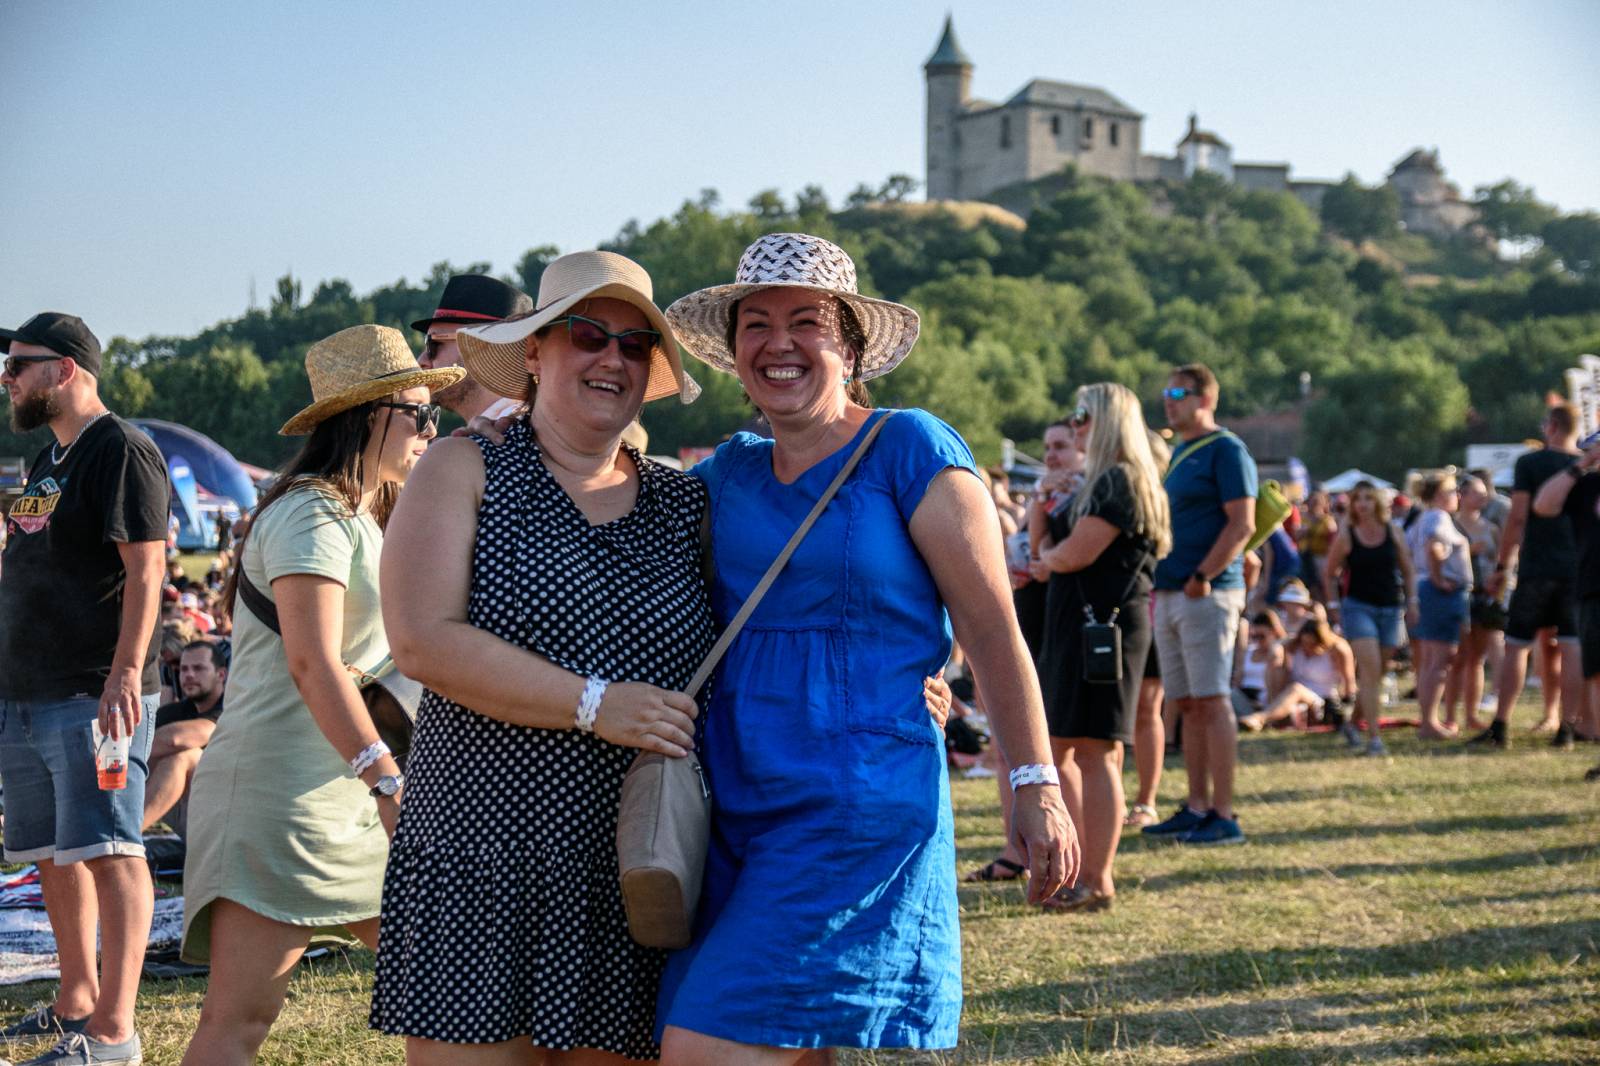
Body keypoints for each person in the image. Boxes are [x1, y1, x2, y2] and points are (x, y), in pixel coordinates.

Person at [654, 233, 1077, 1060]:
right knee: (791, 1041)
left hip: (856, 799)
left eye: (805, 322)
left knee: (707, 1044)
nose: (779, 343)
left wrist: (1033, 781)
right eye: (756, 325)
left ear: (850, 347)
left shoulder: (909, 448)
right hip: (731, 805)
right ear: (734, 352)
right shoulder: (723, 475)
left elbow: (991, 629)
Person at [370, 250, 715, 1063]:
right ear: (533, 351)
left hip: (633, 869)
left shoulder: (684, 501)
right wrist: (598, 704)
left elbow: (786, 610)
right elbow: (422, 639)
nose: (611, 358)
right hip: (479, 858)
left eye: (635, 346)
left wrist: (907, 680)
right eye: (586, 335)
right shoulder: (465, 466)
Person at [178, 325, 461, 1065]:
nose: (432, 427)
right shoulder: (312, 511)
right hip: (282, 797)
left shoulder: (368, 510)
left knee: (447, 986)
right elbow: (313, 662)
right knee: (240, 1022)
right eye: (418, 412)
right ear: (367, 415)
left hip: (347, 795)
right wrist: (386, 776)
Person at [0, 312, 169, 1066]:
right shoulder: (47, 461)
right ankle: (75, 1001)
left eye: (18, 365)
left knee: (108, 849)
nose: (6, 379)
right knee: (51, 853)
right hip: (26, 690)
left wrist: (125, 674)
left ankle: (113, 1033)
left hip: (93, 693)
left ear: (65, 368)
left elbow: (147, 570)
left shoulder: (120, 450)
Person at [1030, 383, 1171, 912]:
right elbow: (1045, 545)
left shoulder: (1120, 481)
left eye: (1083, 413)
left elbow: (1069, 556)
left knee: (1096, 750)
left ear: (1110, 419)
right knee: (1067, 744)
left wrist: (1048, 553)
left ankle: (1096, 878)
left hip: (1103, 630)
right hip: (1081, 625)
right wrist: (1048, 506)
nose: (1075, 420)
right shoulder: (1102, 480)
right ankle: (1080, 871)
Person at [1144, 363, 1257, 847]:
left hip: (1204, 592)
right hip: (1172, 591)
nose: (1169, 400)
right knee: (1186, 703)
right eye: (1167, 392)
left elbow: (1243, 524)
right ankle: (1196, 805)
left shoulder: (1227, 449)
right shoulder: (1182, 451)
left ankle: (1224, 813)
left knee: (1211, 701)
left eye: (1179, 392)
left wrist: (1203, 576)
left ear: (1205, 398)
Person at [967, 418, 1080, 883]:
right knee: (1002, 742)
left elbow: (1044, 561)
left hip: (1061, 625)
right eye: (1048, 447)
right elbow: (1030, 559)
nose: (1051, 456)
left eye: (1061, 447)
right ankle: (1015, 847)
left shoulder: (1085, 499)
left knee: (1056, 749)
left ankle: (1067, 856)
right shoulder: (1047, 499)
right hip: (1028, 618)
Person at [1473, 403, 1587, 748]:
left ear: (1551, 426)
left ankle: (1501, 724)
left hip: (1538, 566)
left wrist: (1503, 567)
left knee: (1517, 645)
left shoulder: (1531, 463)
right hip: (1577, 567)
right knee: (1571, 646)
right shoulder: (1586, 467)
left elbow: (1517, 517)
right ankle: (1567, 727)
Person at [1323, 481, 1416, 756]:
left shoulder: (1393, 532)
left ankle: (1352, 725)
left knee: (1376, 674)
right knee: (1370, 670)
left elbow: (1408, 570)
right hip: (1358, 608)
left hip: (1390, 608)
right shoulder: (1347, 535)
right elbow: (1329, 572)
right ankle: (1375, 739)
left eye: (1367, 498)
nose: (1362, 504)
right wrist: (1332, 604)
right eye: (1357, 499)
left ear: (1377, 502)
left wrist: (1413, 602)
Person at [1533, 437, 1600, 777]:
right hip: (1593, 587)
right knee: (1597, 673)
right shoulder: (1585, 485)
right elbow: (1543, 505)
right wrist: (1580, 465)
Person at [1124, 431, 1171, 832]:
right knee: (1137, 711)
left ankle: (1146, 798)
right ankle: (1133, 797)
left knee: (1146, 709)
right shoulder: (1123, 496)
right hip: (1130, 613)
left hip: (1152, 611)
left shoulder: (1159, 503)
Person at [412, 273, 534, 421]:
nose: (421, 360)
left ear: (482, 347)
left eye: (434, 344)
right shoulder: (511, 430)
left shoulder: (514, 431)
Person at [1407, 473, 1472, 739]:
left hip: (1429, 591)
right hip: (1440, 593)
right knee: (1440, 660)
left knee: (1432, 660)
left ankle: (1428, 720)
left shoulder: (1425, 517)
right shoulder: (1437, 517)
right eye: (1451, 491)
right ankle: (1430, 722)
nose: (1457, 495)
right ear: (1437, 495)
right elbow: (1435, 548)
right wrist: (1439, 579)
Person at [142, 641, 227, 831]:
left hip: (227, 811)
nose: (189, 675)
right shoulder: (176, 711)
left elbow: (180, 738)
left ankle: (124, 836)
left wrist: (132, 751)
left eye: (198, 668)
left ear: (221, 674)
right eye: (183, 669)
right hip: (188, 812)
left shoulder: (231, 708)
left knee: (183, 757)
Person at [1445, 476, 1503, 733]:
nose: (1484, 497)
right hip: (1458, 596)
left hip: (1485, 596)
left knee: (1477, 659)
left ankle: (1471, 714)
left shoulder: (1491, 528)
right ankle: (1449, 716)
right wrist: (1468, 552)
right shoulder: (1450, 526)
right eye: (1477, 493)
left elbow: (1503, 561)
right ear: (1463, 495)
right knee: (1458, 658)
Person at [1239, 618, 1355, 733]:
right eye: (1304, 643)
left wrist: (1347, 708)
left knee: (1296, 688)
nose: (1307, 648)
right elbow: (1278, 645)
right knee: (1278, 669)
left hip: (1321, 700)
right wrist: (1277, 651)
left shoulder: (1336, 650)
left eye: (1312, 644)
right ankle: (1272, 713)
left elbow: (1350, 682)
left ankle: (1260, 718)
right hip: (1291, 696)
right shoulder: (1295, 646)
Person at [1231, 611, 1287, 722]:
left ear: (1273, 632)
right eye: (1254, 636)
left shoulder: (1278, 652)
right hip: (1243, 695)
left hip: (1262, 700)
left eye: (1261, 636)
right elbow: (1238, 679)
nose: (1258, 640)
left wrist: (1274, 646)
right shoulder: (1248, 652)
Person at [1297, 489, 1339, 599]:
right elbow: (1296, 536)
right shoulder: (1303, 518)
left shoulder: (1327, 520)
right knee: (1308, 584)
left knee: (1321, 585)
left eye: (1316, 502)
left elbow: (1333, 538)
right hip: (1305, 557)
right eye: (1311, 501)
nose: (1313, 505)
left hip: (1321, 557)